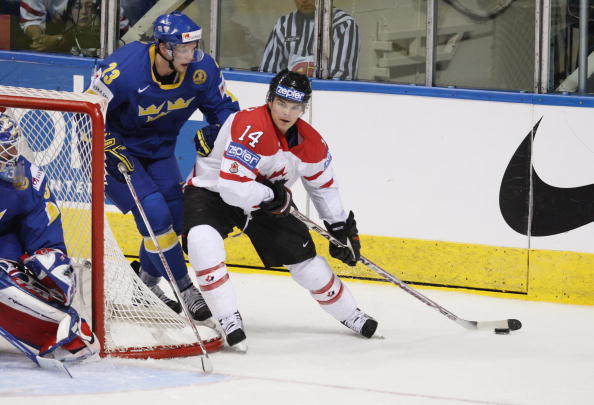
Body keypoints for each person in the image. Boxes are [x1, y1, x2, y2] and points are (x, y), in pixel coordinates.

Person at [183, 69, 378, 350]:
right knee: (202, 240)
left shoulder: (312, 143)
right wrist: (269, 194)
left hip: (267, 200)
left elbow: (323, 186)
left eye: (295, 106)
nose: (287, 112)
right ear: (271, 100)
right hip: (213, 191)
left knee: (307, 265)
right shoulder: (251, 125)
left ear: (303, 108)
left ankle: (351, 314)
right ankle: (228, 318)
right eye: (282, 103)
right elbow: (231, 188)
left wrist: (339, 227)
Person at [86, 11, 240, 322]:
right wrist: (109, 149)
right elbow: (87, 114)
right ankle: (185, 289)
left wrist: (216, 130)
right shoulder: (124, 70)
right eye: (183, 49)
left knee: (176, 218)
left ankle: (144, 286)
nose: (190, 55)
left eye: (193, 47)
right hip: (113, 150)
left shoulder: (202, 69)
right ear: (163, 48)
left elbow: (225, 109)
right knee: (155, 215)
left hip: (158, 149)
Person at [0, 113, 99, 362]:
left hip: (4, 241)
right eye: (4, 149)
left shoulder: (25, 178)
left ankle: (64, 330)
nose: (10, 154)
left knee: (12, 278)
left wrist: (52, 261)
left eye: (12, 146)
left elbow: (43, 232)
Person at [259, 0, 359, 80]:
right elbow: (268, 72)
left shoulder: (344, 24)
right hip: (289, 97)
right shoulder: (284, 24)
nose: (304, 1)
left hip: (325, 98)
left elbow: (340, 78)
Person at [19, 0, 128, 54]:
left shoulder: (101, 7)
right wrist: (40, 39)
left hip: (113, 50)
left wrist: (56, 41)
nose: (84, 11)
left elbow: (97, 40)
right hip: (63, 47)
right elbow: (31, 20)